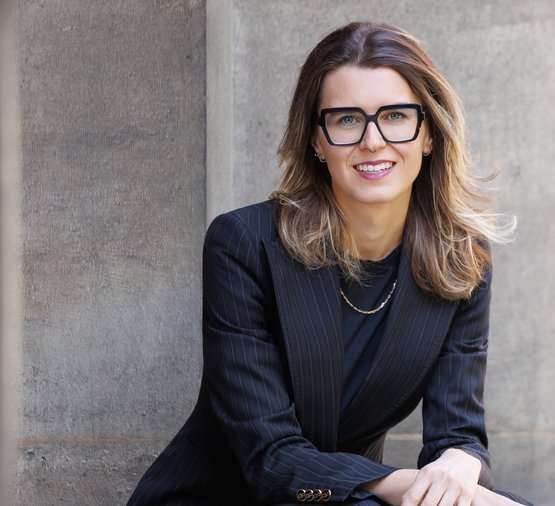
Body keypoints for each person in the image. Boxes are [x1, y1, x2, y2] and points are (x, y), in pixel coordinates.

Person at [128, 21, 531, 506]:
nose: (373, 141)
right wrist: (414, 486)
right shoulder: (244, 245)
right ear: (316, 141)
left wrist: (461, 463)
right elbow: (272, 459)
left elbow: (457, 433)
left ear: (429, 133)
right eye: (346, 120)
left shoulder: (460, 259)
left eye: (396, 116)